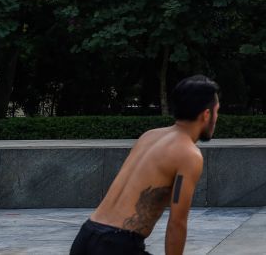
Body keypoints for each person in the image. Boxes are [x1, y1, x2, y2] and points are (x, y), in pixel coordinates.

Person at [70, 76, 219, 255]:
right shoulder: (189, 154)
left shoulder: (149, 136)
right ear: (206, 114)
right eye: (217, 111)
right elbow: (177, 223)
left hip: (86, 236)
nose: (217, 117)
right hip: (117, 245)